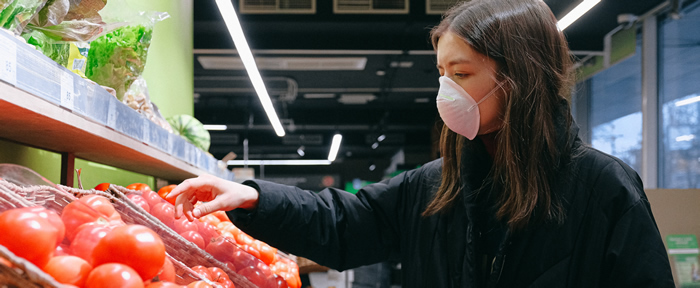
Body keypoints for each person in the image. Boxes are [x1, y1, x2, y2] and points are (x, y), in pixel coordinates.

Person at [167, 0, 675, 287]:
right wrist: (254, 196)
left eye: (462, 72)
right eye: (440, 73)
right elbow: (345, 223)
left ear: (518, 78)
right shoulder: (438, 185)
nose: (445, 90)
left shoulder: (601, 187)